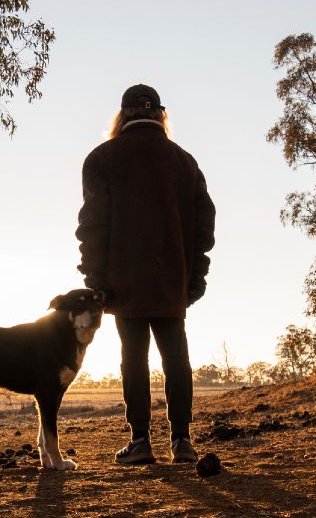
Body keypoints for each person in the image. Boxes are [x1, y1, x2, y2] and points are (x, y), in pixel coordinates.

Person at [76, 83, 217, 465]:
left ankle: (140, 441)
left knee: (133, 357)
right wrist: (195, 275)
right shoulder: (184, 161)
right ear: (160, 114)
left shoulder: (101, 159)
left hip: (123, 282)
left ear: (122, 115)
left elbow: (92, 224)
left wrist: (95, 277)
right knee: (176, 357)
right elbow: (205, 224)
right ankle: (182, 441)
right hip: (172, 280)